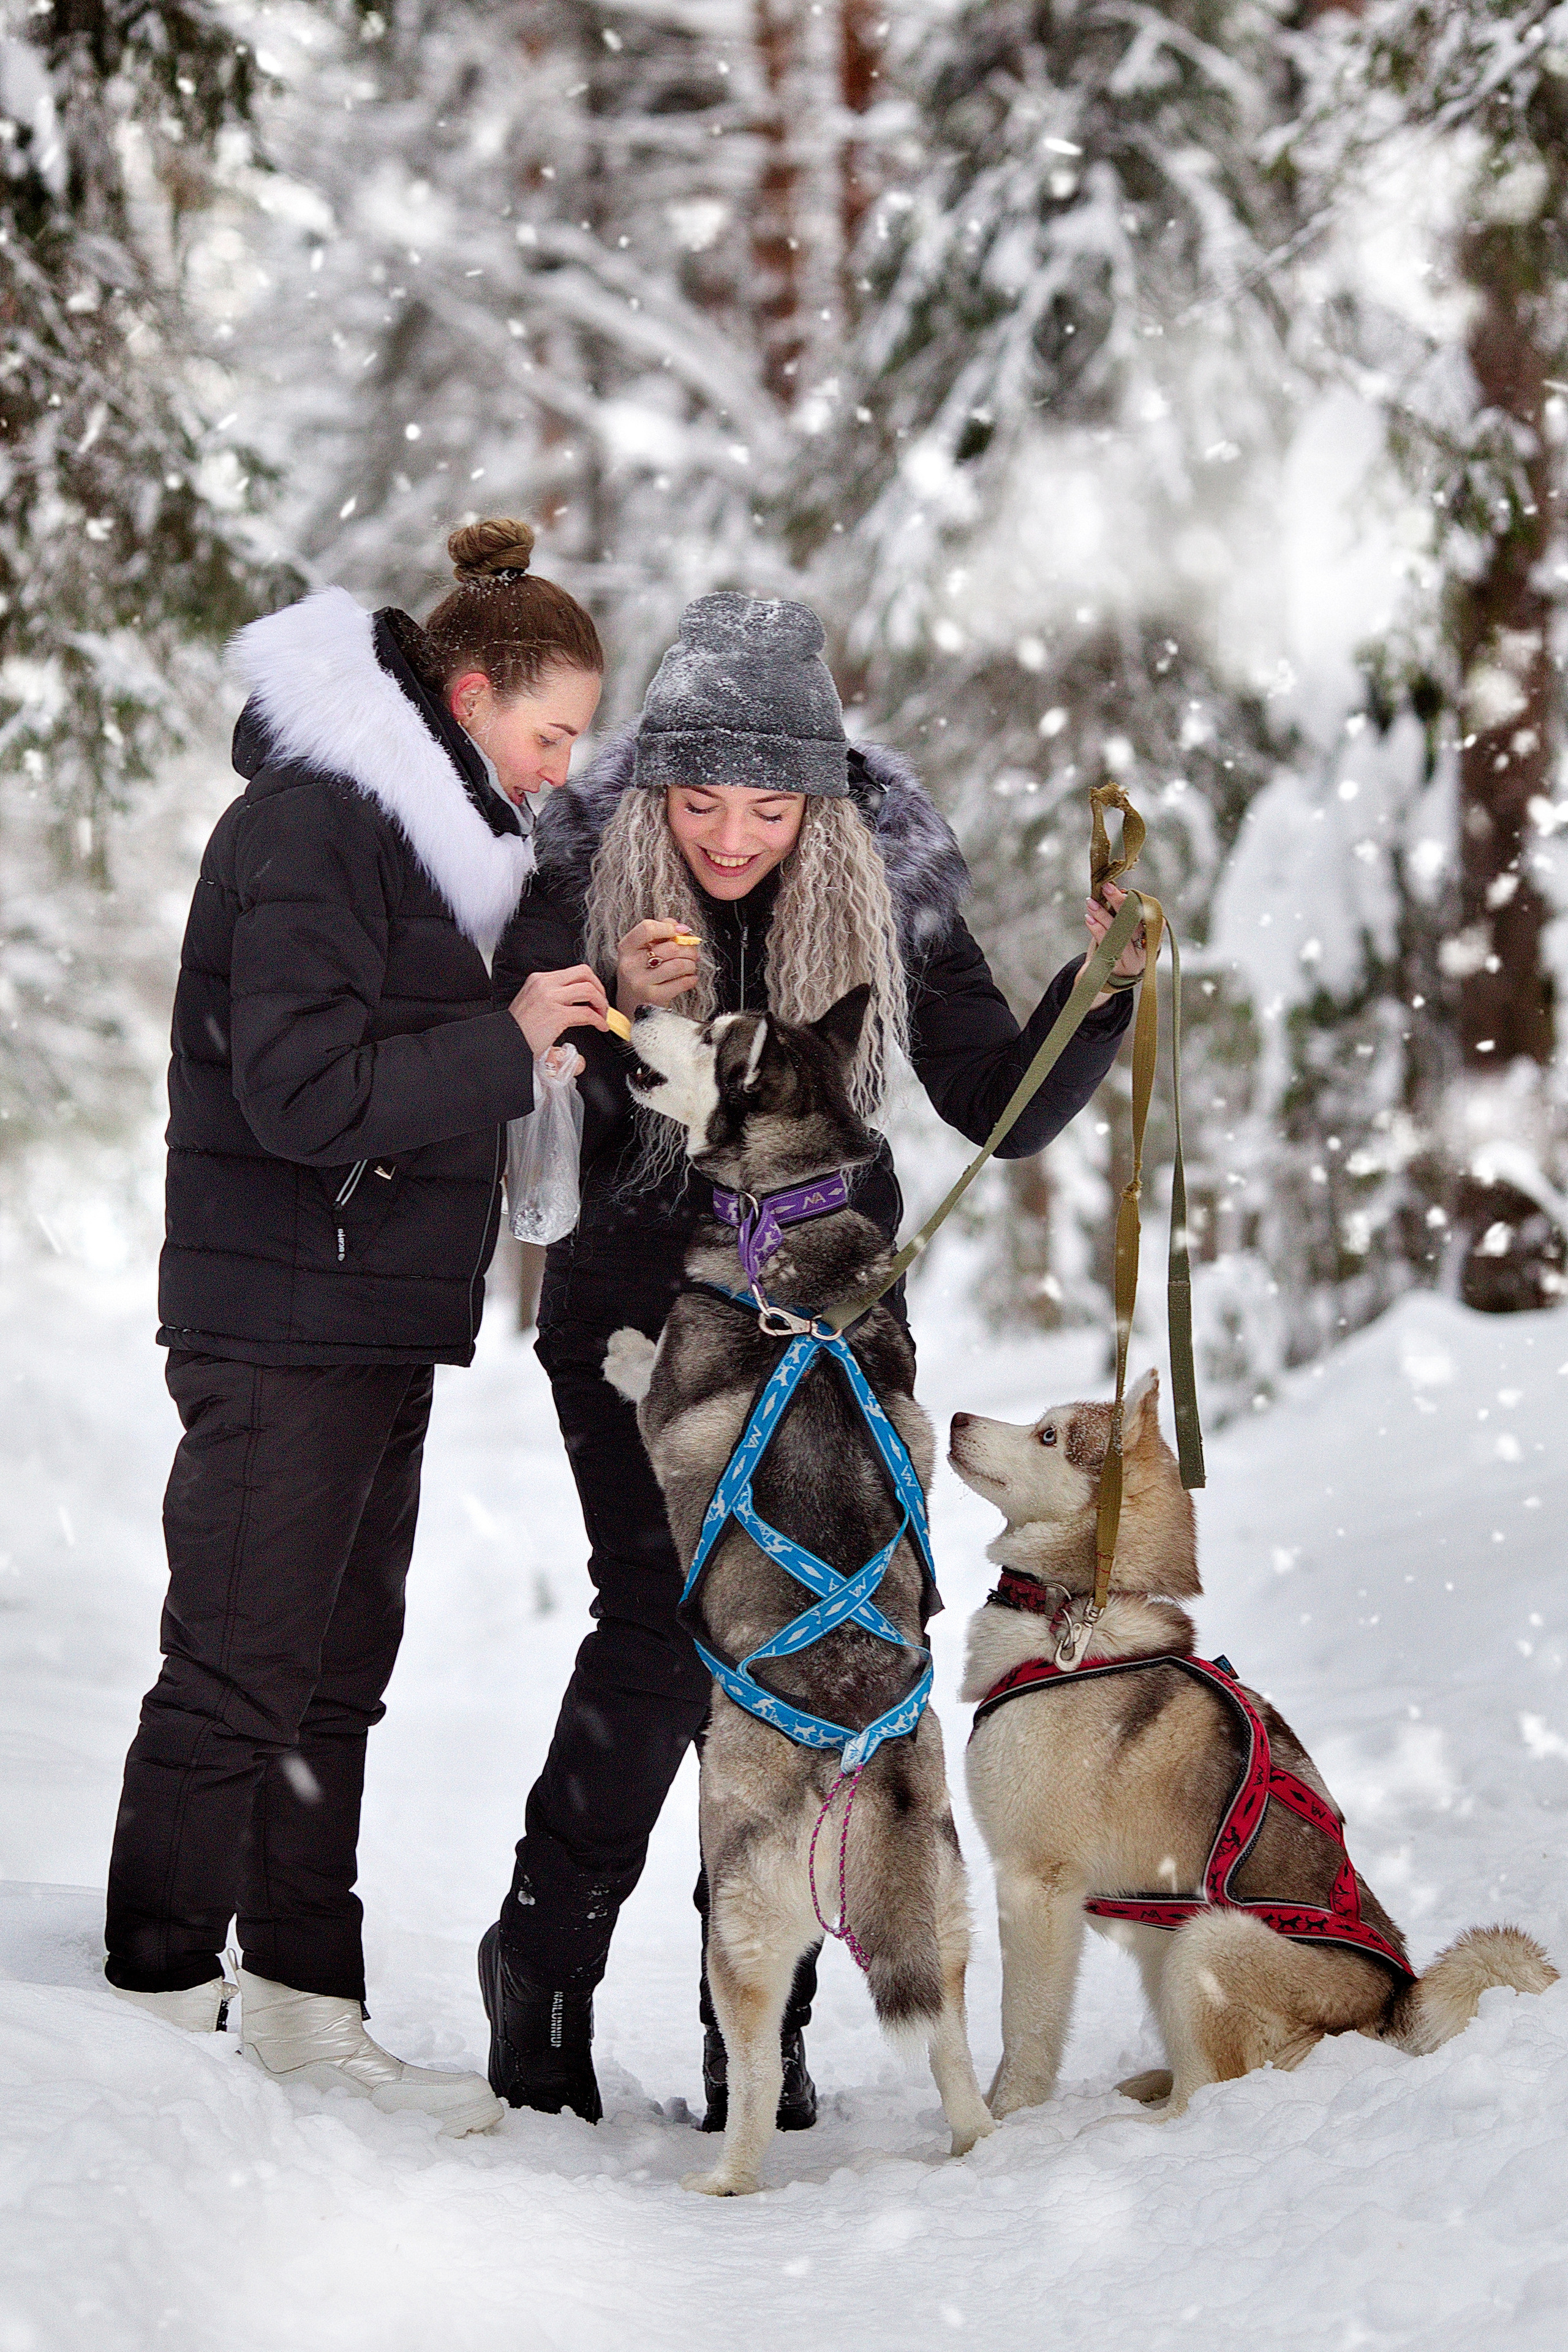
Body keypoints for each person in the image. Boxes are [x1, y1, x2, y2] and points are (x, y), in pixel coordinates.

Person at [479, 591, 1146, 2127]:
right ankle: (544, 1957)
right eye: (699, 802)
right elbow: (536, 1092)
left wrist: (1097, 991)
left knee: (804, 1655)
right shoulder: (573, 869)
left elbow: (995, 1102)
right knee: (663, 1636)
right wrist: (626, 1012)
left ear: (818, 799)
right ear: (655, 784)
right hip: (643, 1310)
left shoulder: (887, 877)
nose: (729, 838)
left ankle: (752, 2022)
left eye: (767, 808)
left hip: (834, 1322)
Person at [104, 518, 611, 2136]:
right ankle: (147, 2012)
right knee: (238, 1670)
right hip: (280, 1313)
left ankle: (304, 2005)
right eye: (550, 735)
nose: (560, 770)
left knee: (333, 1679)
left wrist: (588, 986)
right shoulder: (316, 823)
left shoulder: (444, 845)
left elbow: (440, 1020)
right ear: (468, 699)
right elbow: (302, 1090)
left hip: (373, 1310)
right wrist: (505, 1035)